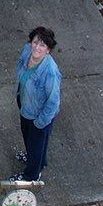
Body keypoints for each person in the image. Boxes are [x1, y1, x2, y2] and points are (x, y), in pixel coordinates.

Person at [14, 26, 62, 184]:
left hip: (39, 114)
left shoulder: (50, 72)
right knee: (31, 140)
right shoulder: (27, 51)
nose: (37, 47)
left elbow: (53, 102)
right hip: (26, 105)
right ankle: (38, 160)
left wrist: (40, 122)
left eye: (42, 45)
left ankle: (32, 175)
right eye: (35, 42)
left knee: (36, 141)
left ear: (48, 50)